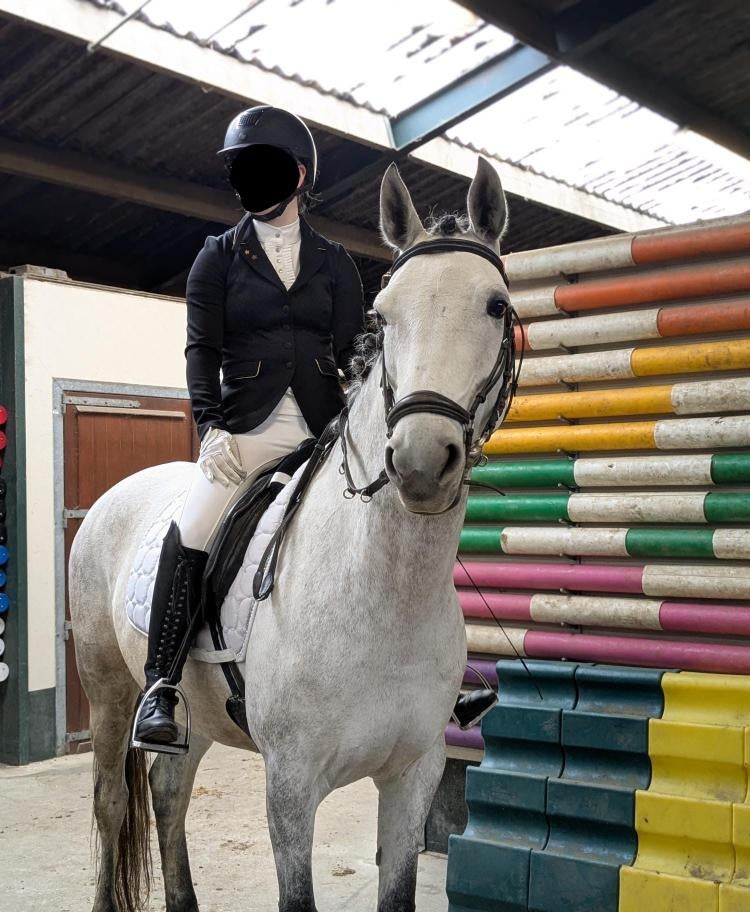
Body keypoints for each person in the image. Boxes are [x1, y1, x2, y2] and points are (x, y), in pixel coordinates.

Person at [134, 105, 496, 752]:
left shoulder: (333, 262)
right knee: (192, 527)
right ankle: (161, 685)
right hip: (245, 433)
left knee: (400, 523)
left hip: (324, 430)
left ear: (298, 176)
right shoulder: (217, 258)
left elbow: (361, 352)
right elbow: (201, 351)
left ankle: (437, 677)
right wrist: (210, 427)